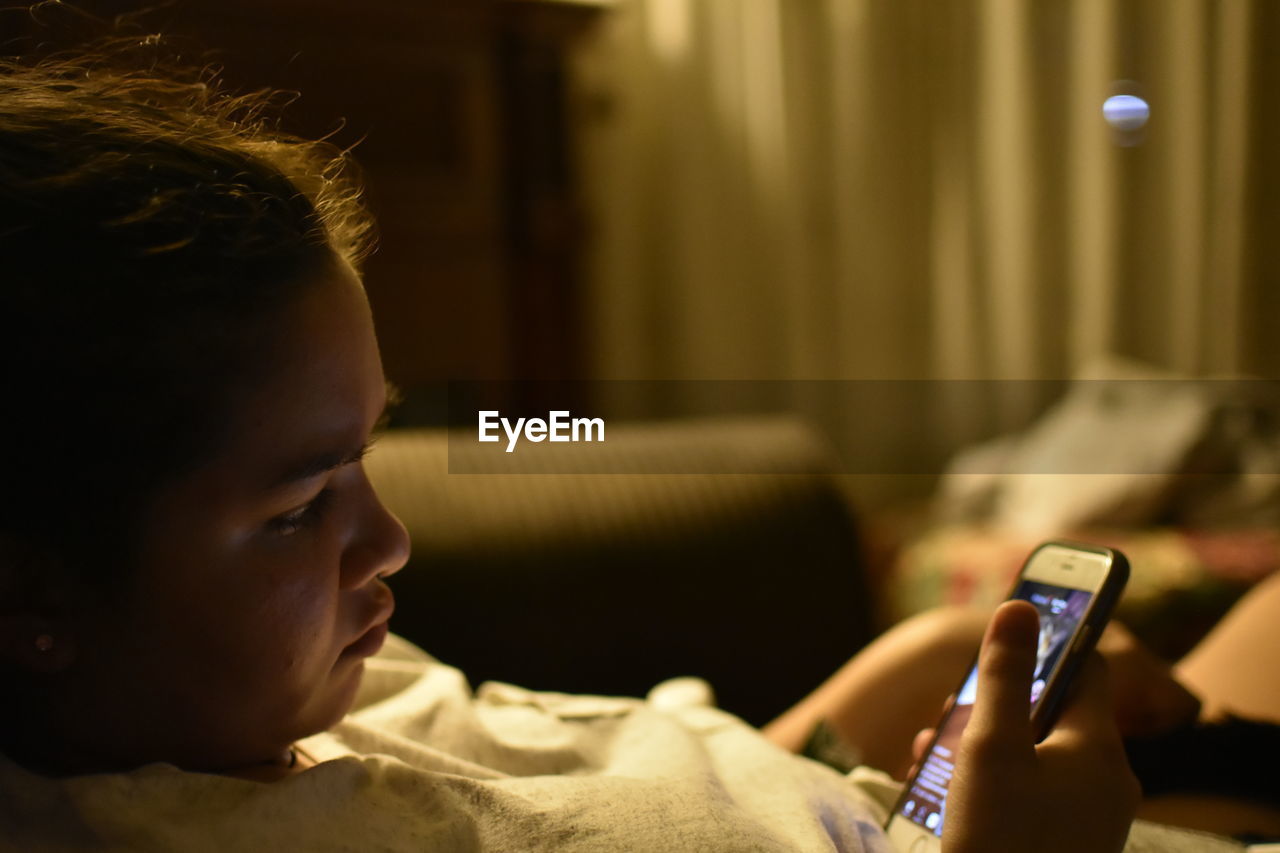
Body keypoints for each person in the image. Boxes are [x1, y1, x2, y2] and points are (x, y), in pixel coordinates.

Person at [0, 45, 1274, 851]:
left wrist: (909, 675)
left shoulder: (282, 683)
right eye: (294, 508)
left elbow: (656, 794)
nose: (387, 539)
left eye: (363, 457)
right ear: (32, 590)